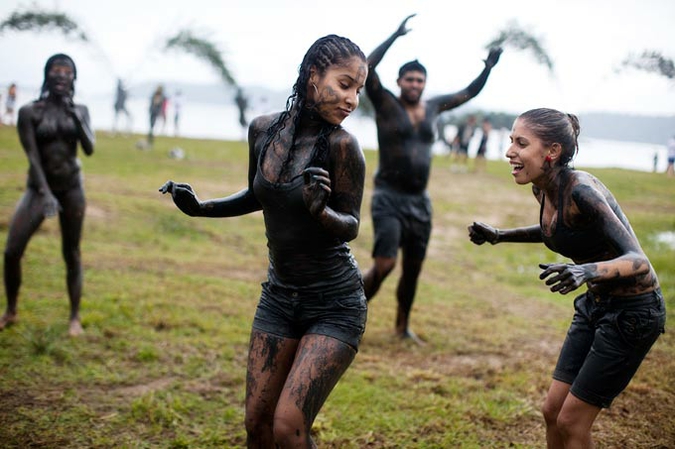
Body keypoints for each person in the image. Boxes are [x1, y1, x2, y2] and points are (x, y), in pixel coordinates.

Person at [159, 34, 368, 448]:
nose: (353, 100)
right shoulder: (263, 131)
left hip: (335, 304)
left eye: (359, 90)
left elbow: (351, 225)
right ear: (313, 76)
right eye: (345, 85)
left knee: (288, 427)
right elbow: (259, 193)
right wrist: (202, 207)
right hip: (279, 297)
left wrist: (321, 211)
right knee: (257, 425)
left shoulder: (344, 148)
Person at [468, 108, 665, 448]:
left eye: (521, 143)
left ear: (552, 151)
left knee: (572, 422)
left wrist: (584, 271)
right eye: (511, 140)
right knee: (551, 410)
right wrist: (499, 235)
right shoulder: (543, 188)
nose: (509, 151)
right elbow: (555, 231)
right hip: (595, 304)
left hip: (633, 313)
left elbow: (639, 262)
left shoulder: (581, 191)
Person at [362, 13, 502, 342]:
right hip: (388, 197)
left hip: (419, 202)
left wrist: (488, 68)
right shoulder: (384, 104)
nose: (414, 85)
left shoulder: (434, 107)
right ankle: (348, 312)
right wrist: (395, 35)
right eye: (409, 79)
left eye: (419, 80)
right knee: (384, 264)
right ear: (399, 82)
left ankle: (401, 326)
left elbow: (469, 93)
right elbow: (366, 67)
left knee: (412, 268)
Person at [2, 54, 95, 336]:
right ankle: (11, 310)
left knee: (72, 253)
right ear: (47, 75)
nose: (61, 75)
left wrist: (77, 119)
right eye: (56, 70)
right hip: (38, 187)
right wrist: (44, 194)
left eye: (67, 71)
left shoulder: (80, 110)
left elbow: (89, 148)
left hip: (72, 188)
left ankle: (74, 317)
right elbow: (32, 157)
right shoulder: (31, 112)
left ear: (73, 78)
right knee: (11, 251)